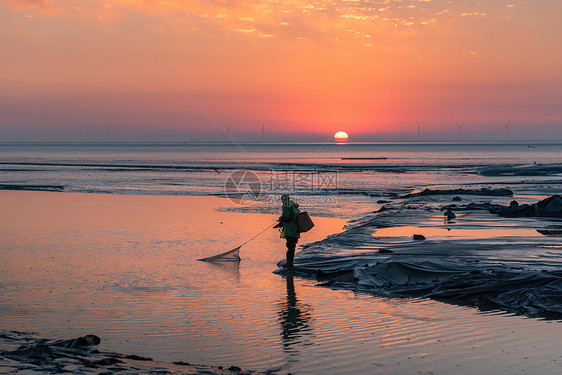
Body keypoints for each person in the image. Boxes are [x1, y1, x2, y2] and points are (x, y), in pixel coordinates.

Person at [274, 194, 300, 267]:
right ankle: (290, 262)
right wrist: (280, 223)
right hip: (295, 228)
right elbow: (290, 217)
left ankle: (289, 263)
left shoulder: (287, 206)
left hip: (290, 229)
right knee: (292, 246)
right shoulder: (292, 205)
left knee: (290, 246)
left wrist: (280, 220)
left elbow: (286, 217)